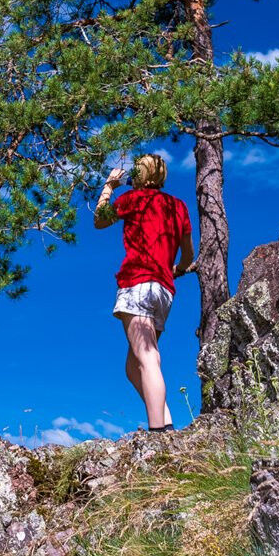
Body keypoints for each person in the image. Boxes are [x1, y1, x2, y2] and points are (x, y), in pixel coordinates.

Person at [93, 152, 196, 432]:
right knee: (133, 366)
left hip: (137, 283)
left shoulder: (133, 199)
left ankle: (158, 432)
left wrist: (109, 186)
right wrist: (176, 269)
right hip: (164, 291)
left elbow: (99, 220)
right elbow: (188, 255)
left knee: (148, 357)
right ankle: (167, 423)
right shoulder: (178, 206)